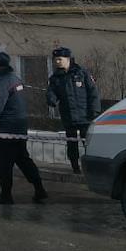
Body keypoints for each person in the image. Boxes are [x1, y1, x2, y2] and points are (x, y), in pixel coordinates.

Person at [0, 51, 47, 205]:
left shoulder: (1, 82)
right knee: (23, 160)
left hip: (6, 130)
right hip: (19, 127)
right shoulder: (14, 79)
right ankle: (39, 188)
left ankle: (6, 194)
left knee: (3, 163)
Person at [46, 46, 101, 174]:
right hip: (68, 117)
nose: (57, 62)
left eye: (59, 59)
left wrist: (94, 112)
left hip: (85, 116)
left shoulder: (81, 73)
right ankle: (75, 167)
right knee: (71, 144)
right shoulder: (55, 78)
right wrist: (51, 99)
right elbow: (51, 92)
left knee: (89, 144)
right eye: (55, 59)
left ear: (68, 59)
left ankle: (93, 168)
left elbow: (93, 93)